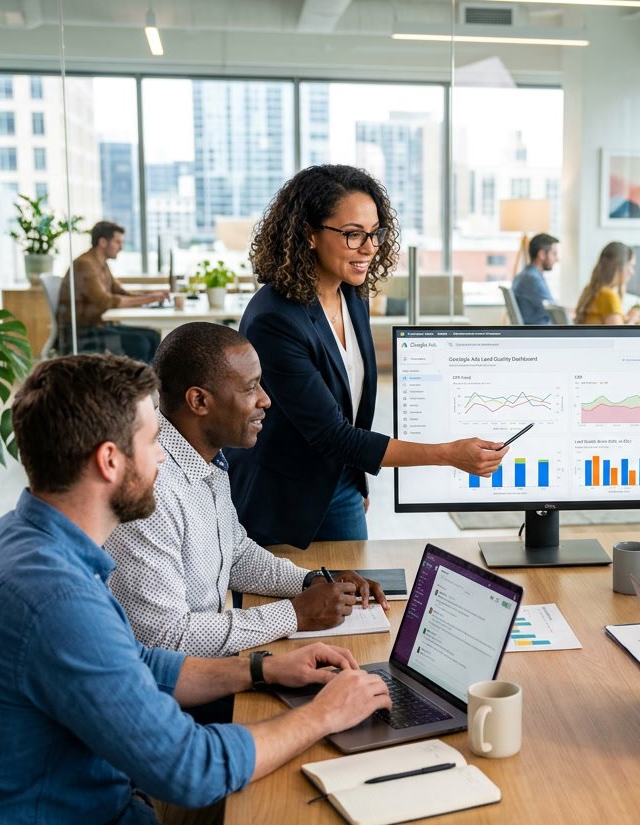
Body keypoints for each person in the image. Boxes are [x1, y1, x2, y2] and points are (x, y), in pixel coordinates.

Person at [0, 353, 390, 825]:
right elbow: (190, 769)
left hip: (78, 810)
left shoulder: (13, 542)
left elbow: (138, 663)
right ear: (109, 461)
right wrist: (324, 714)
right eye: (152, 442)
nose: (166, 456)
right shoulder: (56, 598)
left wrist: (261, 670)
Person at [228, 164, 506, 548]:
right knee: (289, 607)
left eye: (375, 233)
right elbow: (331, 433)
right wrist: (447, 454)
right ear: (308, 234)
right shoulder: (275, 320)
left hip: (339, 482)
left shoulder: (351, 294)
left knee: (358, 605)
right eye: (353, 235)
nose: (370, 248)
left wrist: (353, 479)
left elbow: (350, 406)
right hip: (282, 500)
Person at [106, 321, 387, 660]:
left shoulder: (205, 456)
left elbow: (235, 554)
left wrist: (312, 581)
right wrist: (295, 614)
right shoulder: (151, 491)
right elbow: (165, 638)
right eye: (250, 388)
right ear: (199, 400)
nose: (266, 400)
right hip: (172, 691)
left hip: (204, 670)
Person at [59, 220, 169, 363]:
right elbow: (107, 301)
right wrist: (149, 299)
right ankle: (138, 383)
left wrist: (152, 295)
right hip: (82, 333)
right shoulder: (85, 264)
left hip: (99, 325)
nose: (121, 247)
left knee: (153, 335)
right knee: (141, 343)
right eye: (117, 242)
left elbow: (120, 292)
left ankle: (150, 382)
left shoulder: (101, 263)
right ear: (103, 242)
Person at [574, 241, 640, 325]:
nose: (632, 272)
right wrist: (633, 320)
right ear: (620, 266)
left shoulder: (591, 290)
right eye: (631, 266)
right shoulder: (608, 296)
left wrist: (625, 319)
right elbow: (620, 336)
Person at [511, 232, 559, 325]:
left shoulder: (525, 274)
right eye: (554, 254)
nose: (557, 259)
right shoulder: (532, 279)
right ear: (542, 254)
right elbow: (555, 312)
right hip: (540, 332)